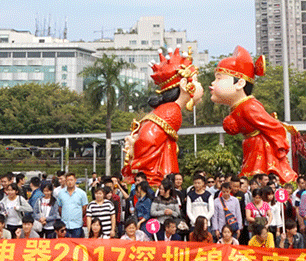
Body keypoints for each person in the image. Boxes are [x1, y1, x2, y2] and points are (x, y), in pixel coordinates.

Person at [210, 46, 296, 184]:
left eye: (219, 79)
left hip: (261, 148)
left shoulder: (249, 106)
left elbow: (272, 125)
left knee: (257, 178)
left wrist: (280, 143)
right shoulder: (238, 106)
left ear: (240, 83)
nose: (213, 84)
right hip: (251, 146)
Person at [122, 48, 203, 188]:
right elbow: (148, 138)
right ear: (185, 85)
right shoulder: (172, 110)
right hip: (155, 176)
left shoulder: (166, 109)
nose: (199, 85)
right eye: (195, 80)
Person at [56, 172, 88, 239]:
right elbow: (59, 207)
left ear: (75, 180)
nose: (70, 182)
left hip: (77, 225)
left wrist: (78, 216)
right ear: (65, 181)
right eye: (68, 180)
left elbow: (84, 208)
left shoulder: (82, 193)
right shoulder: (61, 193)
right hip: (65, 225)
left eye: (71, 180)